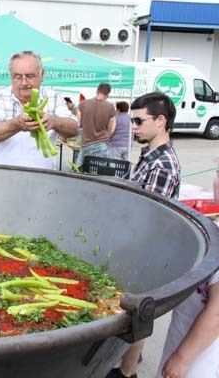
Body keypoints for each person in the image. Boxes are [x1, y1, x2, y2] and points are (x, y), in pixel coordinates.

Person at [107, 92, 182, 378]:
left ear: (161, 121)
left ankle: (127, 372)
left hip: (144, 251)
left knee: (138, 316)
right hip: (137, 247)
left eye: (139, 120)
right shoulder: (150, 156)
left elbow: (147, 220)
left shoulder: (162, 165)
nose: (133, 126)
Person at [155, 170, 219, 378]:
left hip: (203, 352)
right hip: (184, 331)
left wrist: (183, 358)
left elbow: (217, 312)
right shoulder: (214, 229)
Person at [0, 51, 78, 169]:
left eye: (30, 76)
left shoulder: (53, 97)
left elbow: (74, 129)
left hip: (43, 178)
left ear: (41, 75)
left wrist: (54, 122)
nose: (24, 83)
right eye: (18, 77)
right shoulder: (0, 97)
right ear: (11, 77)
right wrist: (16, 124)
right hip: (3, 176)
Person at [77, 82, 116, 165]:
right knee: (100, 175)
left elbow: (78, 124)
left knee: (81, 173)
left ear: (97, 90)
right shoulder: (110, 107)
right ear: (108, 94)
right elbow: (112, 129)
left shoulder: (83, 104)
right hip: (102, 146)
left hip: (85, 145)